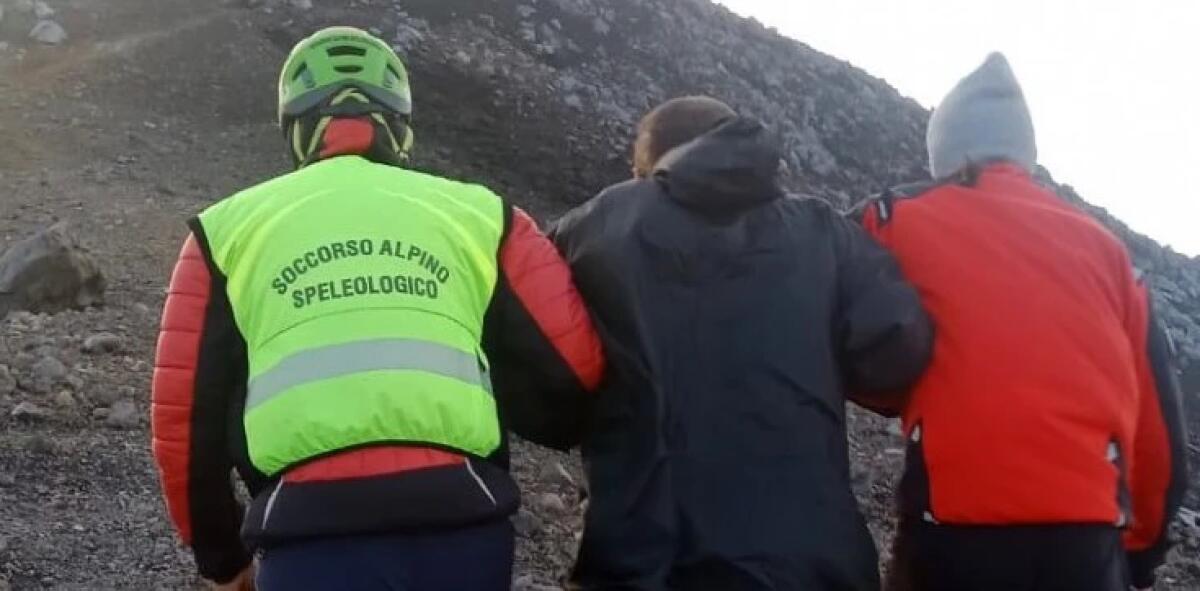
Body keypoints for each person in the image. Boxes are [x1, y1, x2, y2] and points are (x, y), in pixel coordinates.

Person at [150, 27, 604, 591]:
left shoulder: (221, 234)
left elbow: (183, 421)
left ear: (295, 128)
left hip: (306, 532)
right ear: (400, 124)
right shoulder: (487, 216)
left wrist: (222, 558)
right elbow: (575, 369)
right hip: (464, 521)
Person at [552, 96, 934, 590]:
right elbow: (897, 352)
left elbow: (546, 379)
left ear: (652, 164)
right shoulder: (823, 231)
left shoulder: (596, 227)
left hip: (645, 561)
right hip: (810, 563)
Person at [855, 53, 1189, 591]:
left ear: (944, 150)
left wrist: (884, 392)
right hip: (1086, 543)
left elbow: (835, 304)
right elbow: (1159, 442)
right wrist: (1136, 554)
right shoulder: (1111, 255)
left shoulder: (895, 219)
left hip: (954, 536)